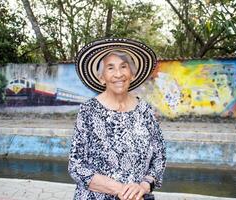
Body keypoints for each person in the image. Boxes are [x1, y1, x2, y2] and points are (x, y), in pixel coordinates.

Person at [68, 38, 166, 200]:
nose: (118, 74)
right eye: (110, 68)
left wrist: (143, 186)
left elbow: (159, 157)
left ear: (132, 75)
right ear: (102, 77)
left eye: (123, 67)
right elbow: (76, 166)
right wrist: (122, 190)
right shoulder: (88, 111)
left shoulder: (145, 111)